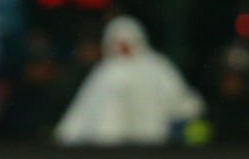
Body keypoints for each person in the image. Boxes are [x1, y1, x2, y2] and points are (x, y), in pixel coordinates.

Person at [54, 15, 203, 145]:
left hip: (152, 144)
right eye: (117, 43)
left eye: (127, 42)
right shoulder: (105, 71)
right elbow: (84, 108)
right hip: (107, 149)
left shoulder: (157, 67)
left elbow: (180, 99)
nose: (122, 47)